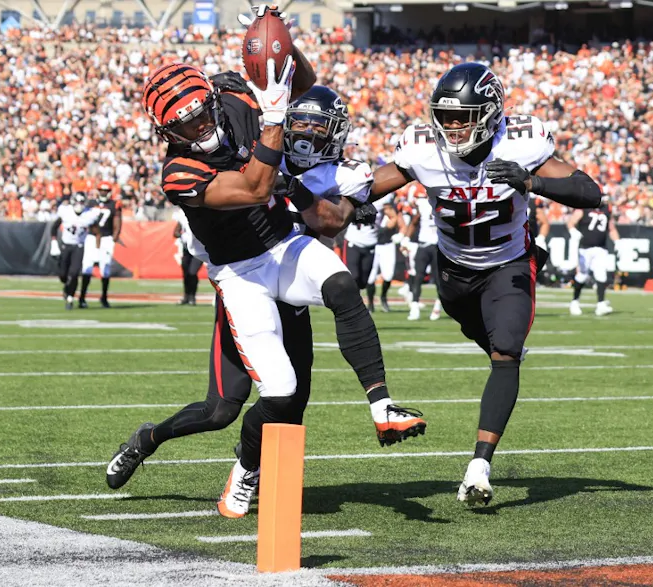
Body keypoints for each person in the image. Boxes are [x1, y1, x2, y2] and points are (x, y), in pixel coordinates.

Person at [120, 47, 425, 515]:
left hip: (282, 245)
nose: (199, 127)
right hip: (240, 274)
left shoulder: (235, 99)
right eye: (184, 125)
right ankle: (177, 447)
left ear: (211, 100)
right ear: (166, 132)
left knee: (342, 286)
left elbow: (302, 80)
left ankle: (382, 406)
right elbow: (256, 188)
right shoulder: (179, 172)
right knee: (254, 400)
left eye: (201, 114)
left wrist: (278, 44)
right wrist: (275, 115)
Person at [371, 62, 601, 505]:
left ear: (491, 114)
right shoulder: (423, 151)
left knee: (506, 354)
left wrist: (530, 181)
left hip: (508, 264)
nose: (453, 128)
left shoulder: (522, 143)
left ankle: (479, 465)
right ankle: (500, 339)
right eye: (446, 117)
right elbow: (367, 187)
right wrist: (353, 205)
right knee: (488, 336)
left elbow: (589, 192)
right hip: (453, 272)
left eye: (464, 117)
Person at [567, 200, 619, 315]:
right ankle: (574, 302)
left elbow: (611, 228)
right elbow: (571, 222)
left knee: (601, 275)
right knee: (582, 276)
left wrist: (618, 242)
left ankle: (601, 304)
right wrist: (573, 231)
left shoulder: (606, 209)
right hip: (585, 248)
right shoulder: (583, 207)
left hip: (601, 248)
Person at [50, 193, 100, 310]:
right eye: (77, 202)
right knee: (63, 275)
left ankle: (70, 298)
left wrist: (97, 249)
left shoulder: (90, 214)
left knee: (74, 273)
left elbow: (97, 232)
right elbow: (54, 227)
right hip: (66, 245)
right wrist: (54, 243)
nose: (79, 205)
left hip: (79, 246)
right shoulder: (65, 211)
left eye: (81, 202)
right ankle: (67, 288)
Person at [79, 181, 122, 308]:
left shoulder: (114, 204)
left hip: (106, 238)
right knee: (87, 267)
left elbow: (118, 221)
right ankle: (82, 297)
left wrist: (114, 238)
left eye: (106, 191)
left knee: (105, 268)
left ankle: (104, 297)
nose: (104, 193)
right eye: (102, 190)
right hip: (92, 237)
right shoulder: (91, 203)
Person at [404, 188, 441, 321]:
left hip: (438, 246)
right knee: (418, 277)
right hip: (424, 244)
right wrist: (406, 238)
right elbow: (414, 222)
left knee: (438, 279)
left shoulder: (444, 204)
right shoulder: (423, 205)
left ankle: (438, 306)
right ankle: (414, 307)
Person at [367, 196, 404, 312]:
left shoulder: (387, 209)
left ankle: (383, 297)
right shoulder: (367, 207)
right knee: (370, 276)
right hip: (372, 245)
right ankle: (370, 303)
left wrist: (400, 235)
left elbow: (400, 223)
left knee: (388, 275)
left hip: (387, 245)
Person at [173, 207, 202, 305]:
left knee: (192, 272)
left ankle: (192, 297)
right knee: (186, 273)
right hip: (187, 249)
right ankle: (186, 296)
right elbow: (176, 231)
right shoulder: (182, 215)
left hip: (199, 249)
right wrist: (181, 235)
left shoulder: (201, 214)